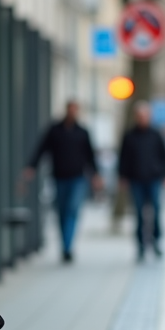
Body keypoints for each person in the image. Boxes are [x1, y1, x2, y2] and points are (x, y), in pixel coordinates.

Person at [24, 100, 100, 262]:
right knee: (61, 211)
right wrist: (31, 167)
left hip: (78, 178)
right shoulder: (55, 130)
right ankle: (65, 244)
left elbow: (90, 156)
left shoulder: (82, 132)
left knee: (72, 210)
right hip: (59, 177)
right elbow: (41, 149)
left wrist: (96, 175)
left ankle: (67, 247)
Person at [117, 101, 165, 261]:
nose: (142, 118)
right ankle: (140, 245)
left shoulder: (156, 135)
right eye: (139, 116)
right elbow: (123, 158)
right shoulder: (129, 136)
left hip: (154, 179)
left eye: (145, 115)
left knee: (156, 210)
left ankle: (156, 241)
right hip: (135, 179)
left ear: (149, 117)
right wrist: (122, 176)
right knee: (139, 214)